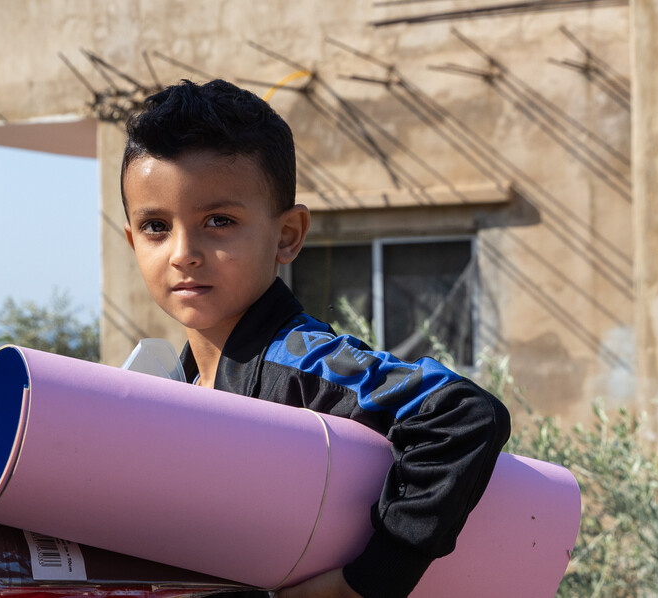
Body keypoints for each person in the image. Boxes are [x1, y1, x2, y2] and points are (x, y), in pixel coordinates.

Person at [117, 80, 511, 598]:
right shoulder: (177, 386)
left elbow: (462, 415)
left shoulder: (301, 363)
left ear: (288, 235)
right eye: (155, 226)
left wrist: (370, 579)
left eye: (219, 221)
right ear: (132, 241)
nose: (182, 253)